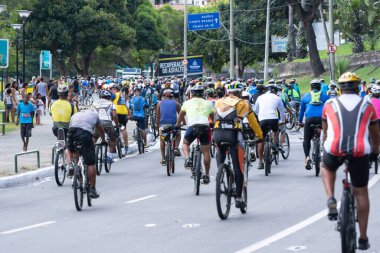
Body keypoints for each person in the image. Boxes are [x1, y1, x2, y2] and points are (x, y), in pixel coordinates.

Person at [321, 72, 379, 250]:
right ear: (358, 87)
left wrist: (326, 145)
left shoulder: (329, 104)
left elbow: (325, 132)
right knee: (361, 192)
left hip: (335, 148)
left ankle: (331, 198)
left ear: (340, 88)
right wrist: (374, 153)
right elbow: (376, 136)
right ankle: (362, 238)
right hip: (360, 150)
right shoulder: (367, 105)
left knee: (327, 168)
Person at [214, 82, 263, 207]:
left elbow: (212, 118)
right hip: (234, 135)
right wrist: (260, 136)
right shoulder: (244, 104)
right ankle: (239, 198)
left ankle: (220, 173)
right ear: (240, 93)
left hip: (218, 134)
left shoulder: (219, 102)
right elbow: (253, 122)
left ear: (228, 93)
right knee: (238, 166)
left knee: (220, 149)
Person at [176, 84, 214, 184]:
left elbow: (181, 115)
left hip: (192, 127)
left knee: (185, 143)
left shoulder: (187, 103)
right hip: (205, 127)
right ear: (203, 94)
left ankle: (188, 158)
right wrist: (213, 124)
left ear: (192, 94)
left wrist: (177, 124)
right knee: (206, 152)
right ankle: (206, 175)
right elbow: (212, 117)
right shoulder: (208, 103)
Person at [66, 110, 107, 198]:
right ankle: (92, 189)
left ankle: (70, 165)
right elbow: (101, 130)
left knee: (69, 148)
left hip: (72, 132)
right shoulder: (95, 115)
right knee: (90, 163)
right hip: (85, 134)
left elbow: (70, 127)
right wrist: (103, 140)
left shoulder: (75, 115)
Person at [298, 79, 329, 169]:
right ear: (320, 87)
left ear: (311, 88)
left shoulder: (305, 97)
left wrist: (300, 121)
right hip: (322, 119)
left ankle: (307, 157)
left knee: (306, 139)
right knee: (326, 134)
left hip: (309, 119)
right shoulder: (325, 97)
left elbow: (301, 112)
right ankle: (324, 149)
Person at [253, 83, 285, 170]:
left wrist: (260, 116)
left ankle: (260, 162)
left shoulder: (260, 97)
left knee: (261, 140)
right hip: (273, 118)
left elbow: (255, 110)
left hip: (262, 119)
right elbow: (282, 111)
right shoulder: (277, 98)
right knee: (275, 132)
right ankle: (274, 145)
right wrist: (282, 121)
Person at [156, 89, 182, 165]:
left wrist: (158, 127)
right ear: (172, 96)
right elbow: (180, 115)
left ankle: (163, 159)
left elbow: (158, 117)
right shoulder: (176, 103)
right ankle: (176, 148)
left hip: (163, 126)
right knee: (178, 134)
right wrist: (182, 123)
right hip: (173, 125)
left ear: (163, 96)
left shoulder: (159, 104)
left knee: (162, 140)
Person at [93, 90, 119, 161]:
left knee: (95, 137)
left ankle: (92, 152)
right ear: (108, 97)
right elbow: (114, 115)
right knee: (113, 138)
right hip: (107, 122)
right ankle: (110, 155)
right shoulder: (111, 103)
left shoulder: (94, 103)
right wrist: (117, 125)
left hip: (97, 123)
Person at [110, 83, 130, 155]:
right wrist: (129, 114)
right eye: (111, 89)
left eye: (113, 89)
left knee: (113, 128)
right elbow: (125, 105)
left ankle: (113, 148)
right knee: (123, 128)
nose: (112, 91)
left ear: (117, 90)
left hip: (116, 113)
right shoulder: (122, 95)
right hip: (123, 113)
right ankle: (126, 145)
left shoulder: (114, 95)